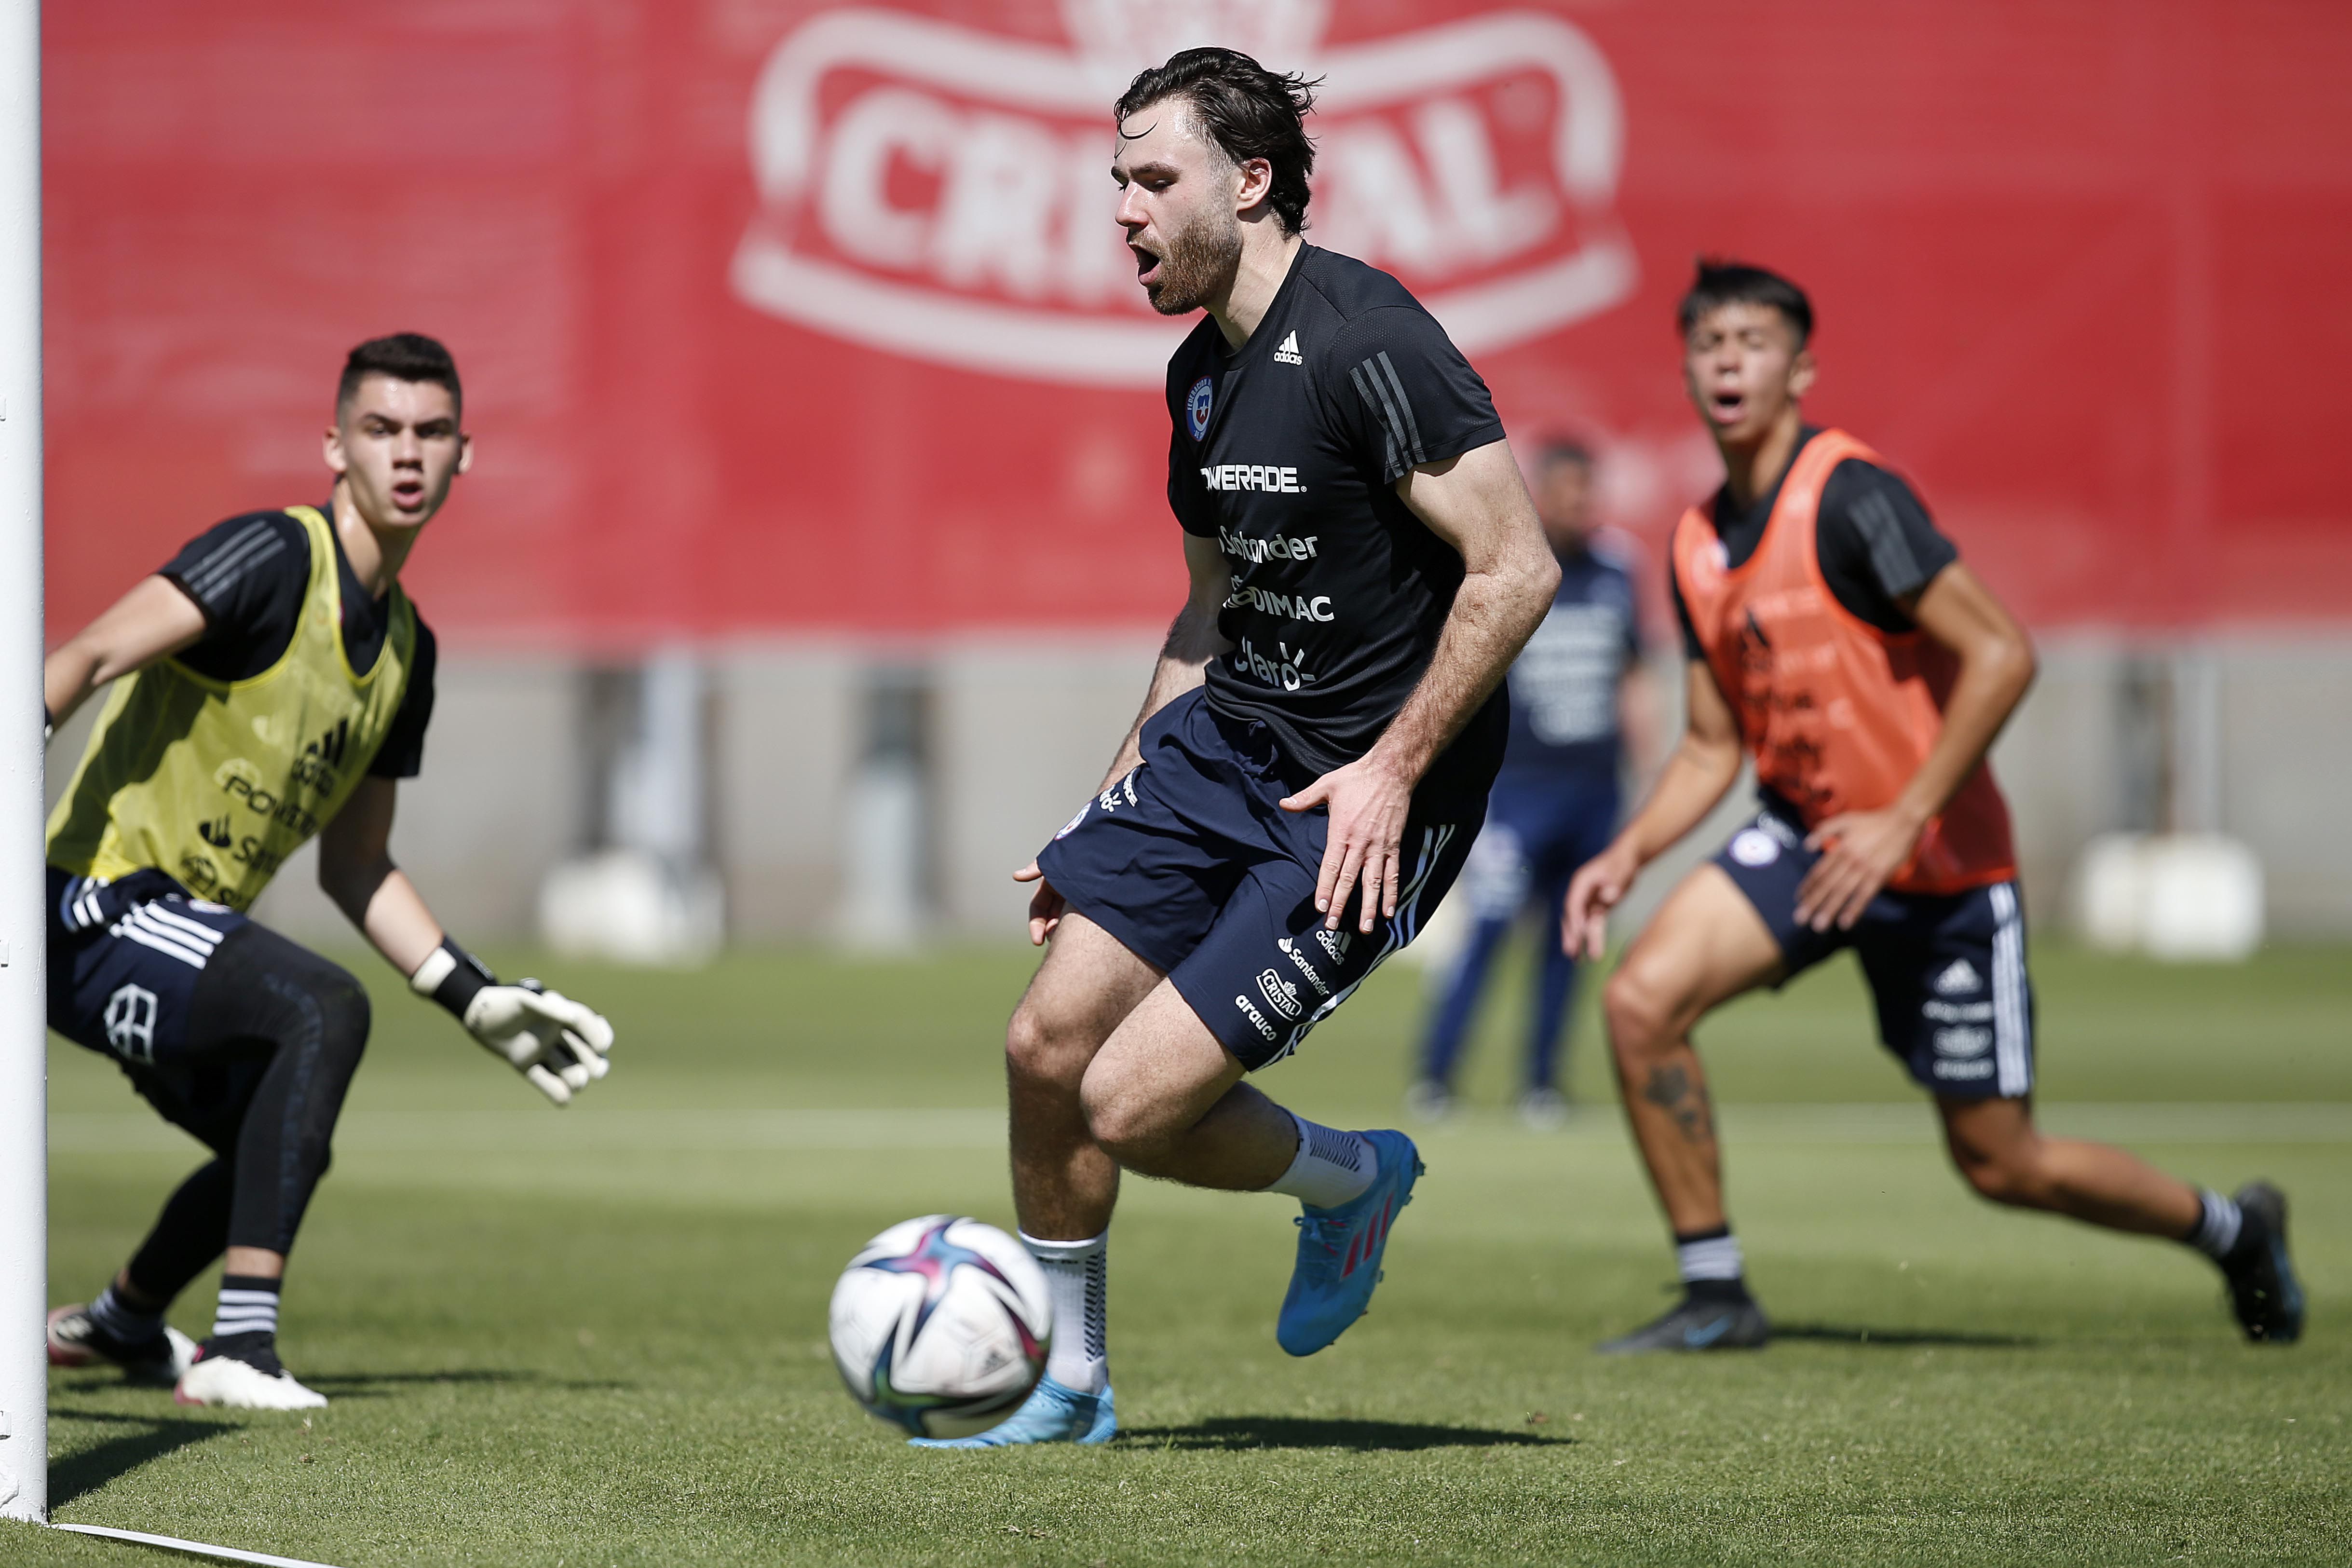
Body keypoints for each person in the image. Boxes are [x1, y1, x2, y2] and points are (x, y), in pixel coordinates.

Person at [913, 49, 1558, 1448]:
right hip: (1224, 750)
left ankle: (1351, 1182)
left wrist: (1390, 769)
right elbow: (1208, 612)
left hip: (1367, 793)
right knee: (1041, 1047)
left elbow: (1514, 570)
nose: (1124, 213)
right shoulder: (1196, 380)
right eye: (1115, 185)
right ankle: (1068, 1388)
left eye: (1152, 180)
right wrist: (1107, 803)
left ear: (1249, 182)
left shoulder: (1371, 340)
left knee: (1131, 1103)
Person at [1563, 261, 2303, 1353]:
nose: (1729, 360)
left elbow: (2003, 652)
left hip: (1940, 863)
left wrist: (1904, 817)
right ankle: (1717, 1291)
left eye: (1754, 342)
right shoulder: (1692, 543)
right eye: (1710, 343)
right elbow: (1715, 744)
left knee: (2003, 1165)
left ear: (1801, 368)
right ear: (1687, 369)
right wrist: (1630, 851)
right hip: (1809, 842)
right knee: (1641, 1006)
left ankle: (2236, 1231)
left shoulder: (1855, 499)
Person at [42, 334, 617, 1409]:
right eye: (381, 430)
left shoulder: (409, 652)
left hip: (184, 933)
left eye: (431, 433)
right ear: (333, 447)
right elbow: (88, 657)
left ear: (464, 456)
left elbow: (357, 868)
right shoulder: (269, 558)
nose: (408, 455)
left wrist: (475, 994)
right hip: (90, 903)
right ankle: (240, 1354)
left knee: (276, 1140)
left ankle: (123, 1319)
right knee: (321, 1007)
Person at [1411, 441, 1655, 1127]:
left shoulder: (1617, 570)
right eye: (1568, 492)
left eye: (1588, 491)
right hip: (1515, 791)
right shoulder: (1513, 568)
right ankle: (1436, 1076)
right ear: (1540, 495)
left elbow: (1634, 673)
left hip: (1594, 789)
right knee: (1488, 930)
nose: (1580, 506)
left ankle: (1541, 1083)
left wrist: (1647, 771)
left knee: (1569, 940)